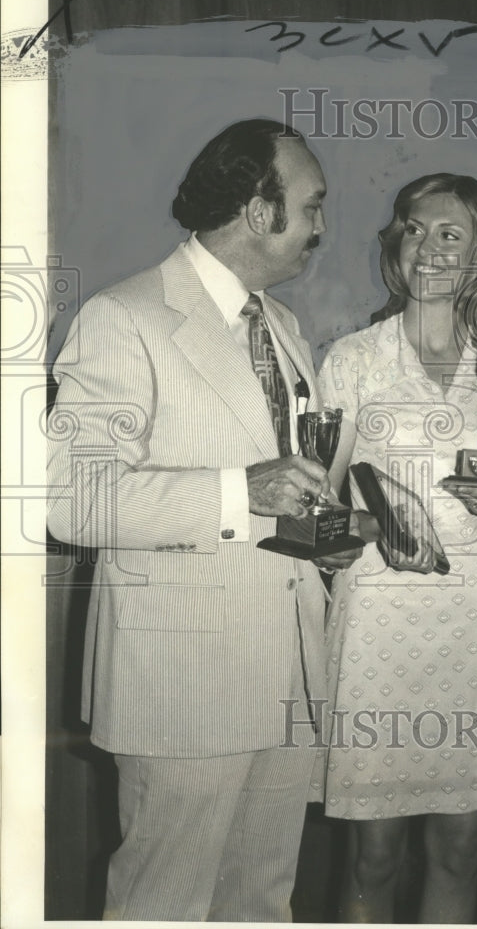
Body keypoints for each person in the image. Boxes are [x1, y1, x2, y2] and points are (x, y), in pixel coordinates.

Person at [46, 119, 362, 922]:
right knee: (165, 904)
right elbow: (71, 500)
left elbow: (287, 482)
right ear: (259, 211)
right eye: (312, 206)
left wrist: (327, 537)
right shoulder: (126, 318)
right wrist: (239, 491)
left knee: (261, 901)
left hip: (288, 670)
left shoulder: (283, 328)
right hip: (182, 685)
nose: (322, 228)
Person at [311, 174, 477, 923]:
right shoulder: (349, 359)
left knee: (459, 849)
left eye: (450, 234)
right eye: (412, 229)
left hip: (476, 624)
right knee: (373, 857)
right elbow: (310, 513)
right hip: (380, 623)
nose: (427, 248)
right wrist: (361, 531)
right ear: (393, 245)